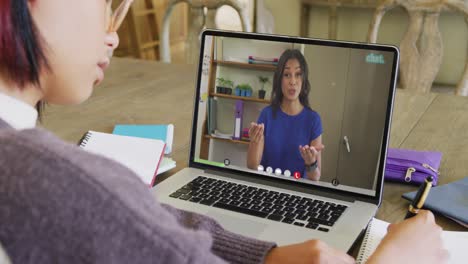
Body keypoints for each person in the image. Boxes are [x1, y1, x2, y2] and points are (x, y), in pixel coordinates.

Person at [0, 1, 448, 263]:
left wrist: (267, 255)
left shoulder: (313, 120)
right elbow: (119, 213)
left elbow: (145, 225)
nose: (113, 32)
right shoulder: (58, 181)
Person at [247, 49, 324, 181]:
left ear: (304, 79)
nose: (292, 81)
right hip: (266, 187)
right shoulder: (267, 115)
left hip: (297, 192)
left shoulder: (313, 120)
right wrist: (254, 142)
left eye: (298, 74)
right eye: (287, 74)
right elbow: (252, 166)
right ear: (279, 79)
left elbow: (315, 177)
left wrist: (311, 162)